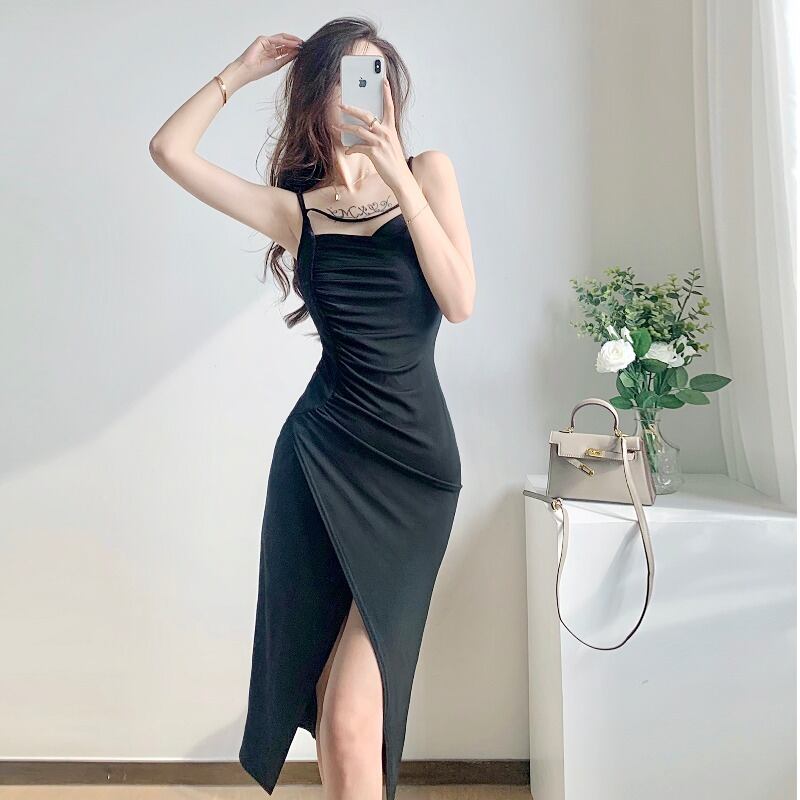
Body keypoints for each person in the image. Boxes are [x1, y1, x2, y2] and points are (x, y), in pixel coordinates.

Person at [149, 16, 475, 800]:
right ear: (316, 93)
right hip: (319, 461)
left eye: (377, 74)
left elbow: (460, 301)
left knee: (354, 715)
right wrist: (237, 72)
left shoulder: (429, 173)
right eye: (348, 76)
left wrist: (398, 180)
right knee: (334, 711)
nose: (366, 92)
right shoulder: (296, 211)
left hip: (414, 474)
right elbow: (168, 151)